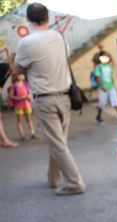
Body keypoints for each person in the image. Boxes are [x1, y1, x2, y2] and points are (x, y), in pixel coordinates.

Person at [11, 3, 85, 195]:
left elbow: (17, 70)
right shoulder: (60, 38)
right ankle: (53, 178)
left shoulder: (26, 43)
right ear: (48, 18)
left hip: (45, 99)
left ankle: (75, 183)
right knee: (59, 141)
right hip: (65, 97)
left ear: (27, 19)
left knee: (57, 143)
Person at [95, 51, 117, 124]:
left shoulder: (109, 66)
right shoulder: (98, 67)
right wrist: (102, 87)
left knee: (115, 101)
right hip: (103, 89)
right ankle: (98, 116)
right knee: (102, 103)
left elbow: (110, 76)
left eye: (107, 56)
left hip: (111, 87)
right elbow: (97, 77)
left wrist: (112, 84)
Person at [8, 74, 36, 140]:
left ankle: (32, 133)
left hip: (27, 104)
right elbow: (11, 96)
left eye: (22, 75)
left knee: (29, 119)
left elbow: (30, 92)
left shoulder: (26, 84)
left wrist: (29, 95)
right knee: (19, 120)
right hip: (18, 105)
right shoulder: (13, 85)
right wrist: (20, 98)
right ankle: (22, 135)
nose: (21, 76)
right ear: (15, 76)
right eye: (19, 75)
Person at [0, 63, 19, 148]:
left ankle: (3, 140)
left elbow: (1, 86)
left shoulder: (8, 73)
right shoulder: (4, 67)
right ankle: (4, 140)